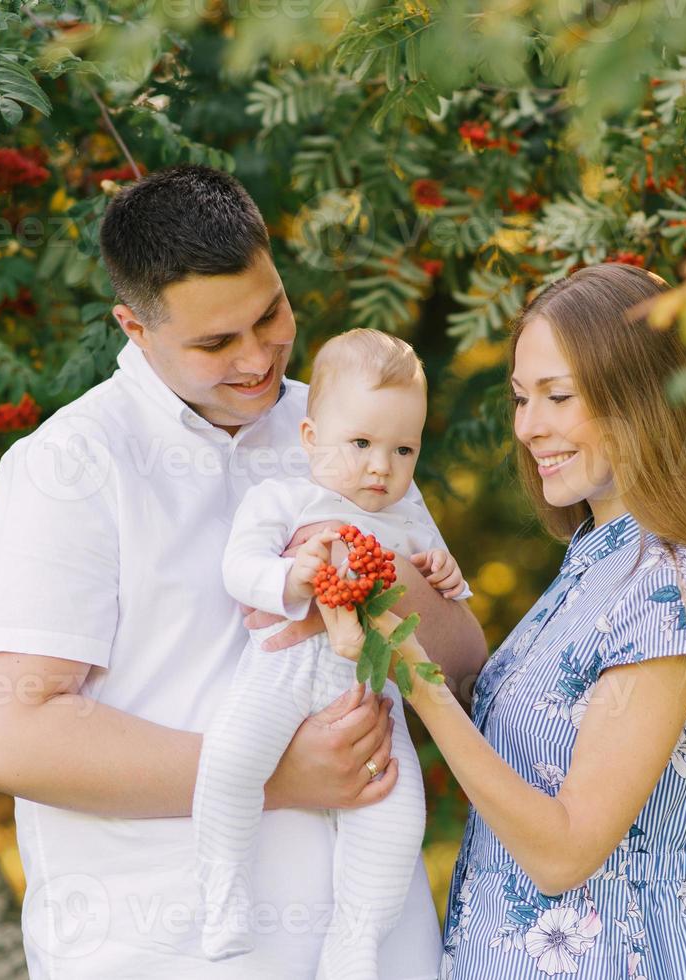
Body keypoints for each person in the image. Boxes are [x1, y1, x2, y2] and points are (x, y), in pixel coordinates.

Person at [0, 165, 488, 978]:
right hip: (166, 950)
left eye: (270, 314)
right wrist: (279, 774)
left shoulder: (344, 428)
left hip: (377, 948)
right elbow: (6, 738)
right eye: (214, 343)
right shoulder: (69, 466)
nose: (255, 359)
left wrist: (357, 555)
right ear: (134, 328)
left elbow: (458, 661)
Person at [316, 263, 686, 979]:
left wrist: (415, 677)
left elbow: (564, 851)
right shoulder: (593, 564)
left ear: (640, 398)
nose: (527, 427)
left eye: (556, 396)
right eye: (521, 398)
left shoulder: (671, 584)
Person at [196, 329, 471, 975]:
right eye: (362, 444)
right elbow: (238, 567)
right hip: (280, 671)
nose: (382, 467)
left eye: (404, 449)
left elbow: (445, 595)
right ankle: (223, 892)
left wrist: (444, 571)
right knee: (231, 760)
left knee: (397, 815)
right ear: (312, 439)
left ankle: (355, 941)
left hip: (371, 687)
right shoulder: (283, 500)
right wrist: (290, 579)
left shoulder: (406, 514)